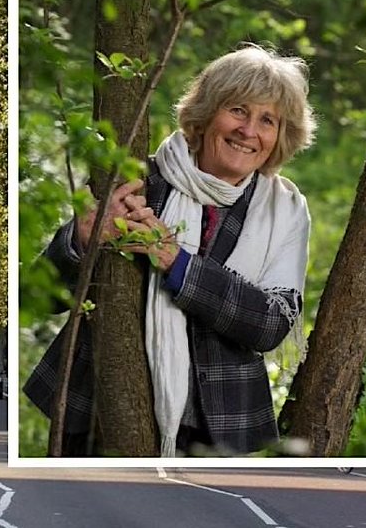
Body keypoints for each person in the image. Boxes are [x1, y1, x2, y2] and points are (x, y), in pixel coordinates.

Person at [23, 45, 316, 457]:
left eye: (267, 120)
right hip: (99, 408)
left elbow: (270, 324)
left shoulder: (286, 211)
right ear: (206, 113)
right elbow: (38, 296)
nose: (249, 131)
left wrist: (177, 262)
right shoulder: (137, 181)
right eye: (237, 110)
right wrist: (82, 241)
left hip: (216, 427)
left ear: (281, 136)